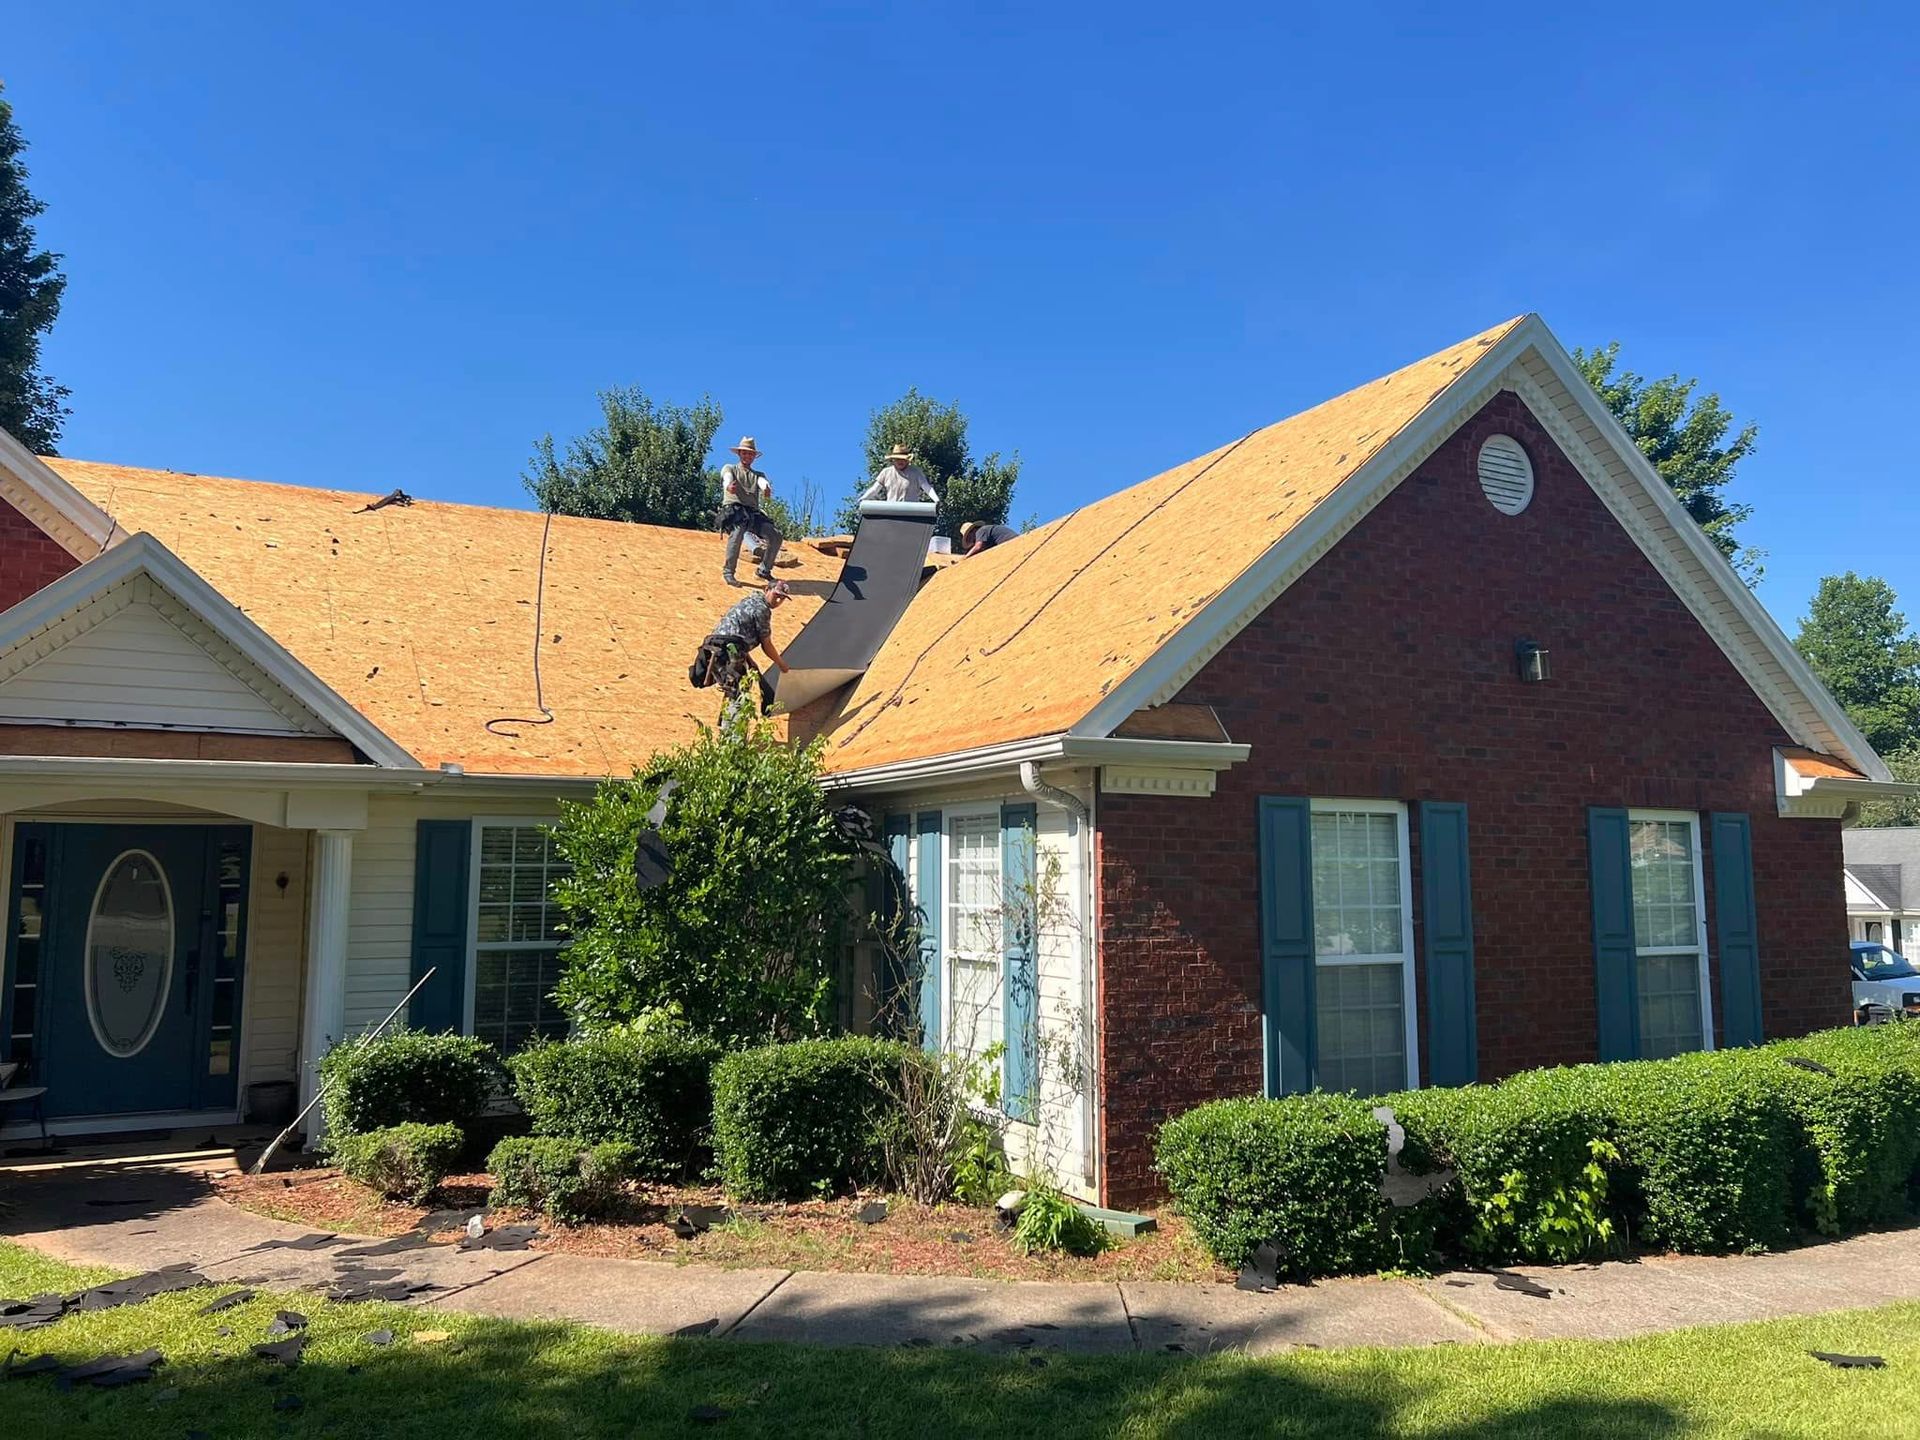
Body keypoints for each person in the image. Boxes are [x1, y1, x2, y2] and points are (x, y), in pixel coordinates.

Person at [692, 580, 793, 714]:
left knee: (734, 687)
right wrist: (782, 665)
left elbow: (739, 633)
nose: (778, 601)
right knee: (739, 690)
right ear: (767, 589)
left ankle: (728, 724)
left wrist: (749, 660)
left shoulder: (750, 600)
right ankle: (733, 731)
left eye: (782, 599)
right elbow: (766, 644)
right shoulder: (762, 609)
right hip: (728, 650)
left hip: (716, 646)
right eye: (776, 595)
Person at [718, 436, 784, 585]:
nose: (747, 456)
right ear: (739, 454)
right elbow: (726, 478)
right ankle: (729, 572)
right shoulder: (730, 468)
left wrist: (766, 489)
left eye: (750, 454)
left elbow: (762, 483)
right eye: (744, 453)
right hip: (734, 510)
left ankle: (764, 571)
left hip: (753, 513)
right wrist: (728, 486)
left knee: (775, 536)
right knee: (737, 533)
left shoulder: (758, 475)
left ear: (754, 456)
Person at [859, 443, 941, 504]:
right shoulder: (886, 472)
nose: (900, 461)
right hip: (892, 512)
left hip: (911, 512)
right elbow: (875, 489)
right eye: (897, 459)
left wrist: (936, 500)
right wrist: (863, 498)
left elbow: (927, 487)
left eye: (902, 459)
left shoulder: (916, 472)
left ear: (907, 460)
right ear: (893, 460)